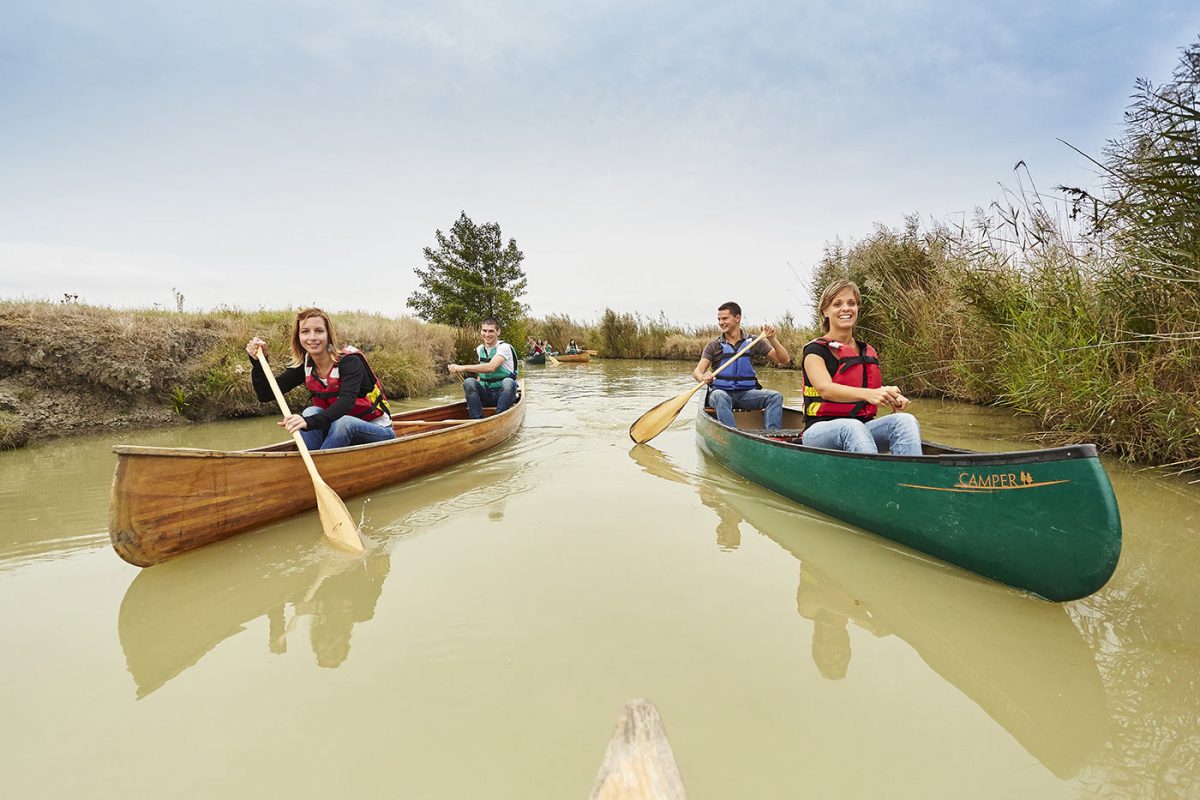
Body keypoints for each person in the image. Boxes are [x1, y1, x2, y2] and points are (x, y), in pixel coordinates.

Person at [800, 280, 922, 455]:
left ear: (857, 309)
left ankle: (910, 478)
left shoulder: (866, 351)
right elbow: (826, 389)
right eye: (837, 304)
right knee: (852, 427)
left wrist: (890, 396)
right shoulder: (814, 351)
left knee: (905, 421)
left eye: (851, 303)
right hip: (819, 432)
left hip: (862, 429)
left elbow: (868, 391)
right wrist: (871, 394)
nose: (846, 308)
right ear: (825, 311)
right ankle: (871, 480)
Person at [246, 307, 396, 450]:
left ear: (328, 335)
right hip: (336, 431)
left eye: (318, 331)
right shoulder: (306, 366)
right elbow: (265, 394)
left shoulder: (350, 363)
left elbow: (346, 403)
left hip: (377, 429)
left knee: (344, 423)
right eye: (305, 331)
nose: (312, 337)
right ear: (299, 337)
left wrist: (308, 423)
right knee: (311, 411)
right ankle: (315, 459)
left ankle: (320, 465)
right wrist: (259, 362)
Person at [692, 301, 791, 430]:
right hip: (721, 393)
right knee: (719, 396)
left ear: (737, 318)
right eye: (719, 319)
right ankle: (732, 434)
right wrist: (704, 377)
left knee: (775, 396)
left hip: (746, 394)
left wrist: (772, 338)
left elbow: (784, 359)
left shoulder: (753, 342)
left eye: (725, 318)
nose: (721, 322)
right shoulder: (713, 345)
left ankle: (772, 436)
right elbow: (697, 371)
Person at [449, 317, 519, 419]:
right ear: (481, 331)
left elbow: (490, 367)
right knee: (469, 382)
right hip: (486, 395)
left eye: (491, 331)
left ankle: (499, 418)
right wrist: (474, 385)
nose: (487, 334)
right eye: (484, 330)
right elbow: (482, 375)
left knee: (509, 382)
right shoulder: (479, 349)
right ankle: (477, 420)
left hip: (503, 395)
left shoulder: (504, 348)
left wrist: (462, 367)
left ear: (498, 332)